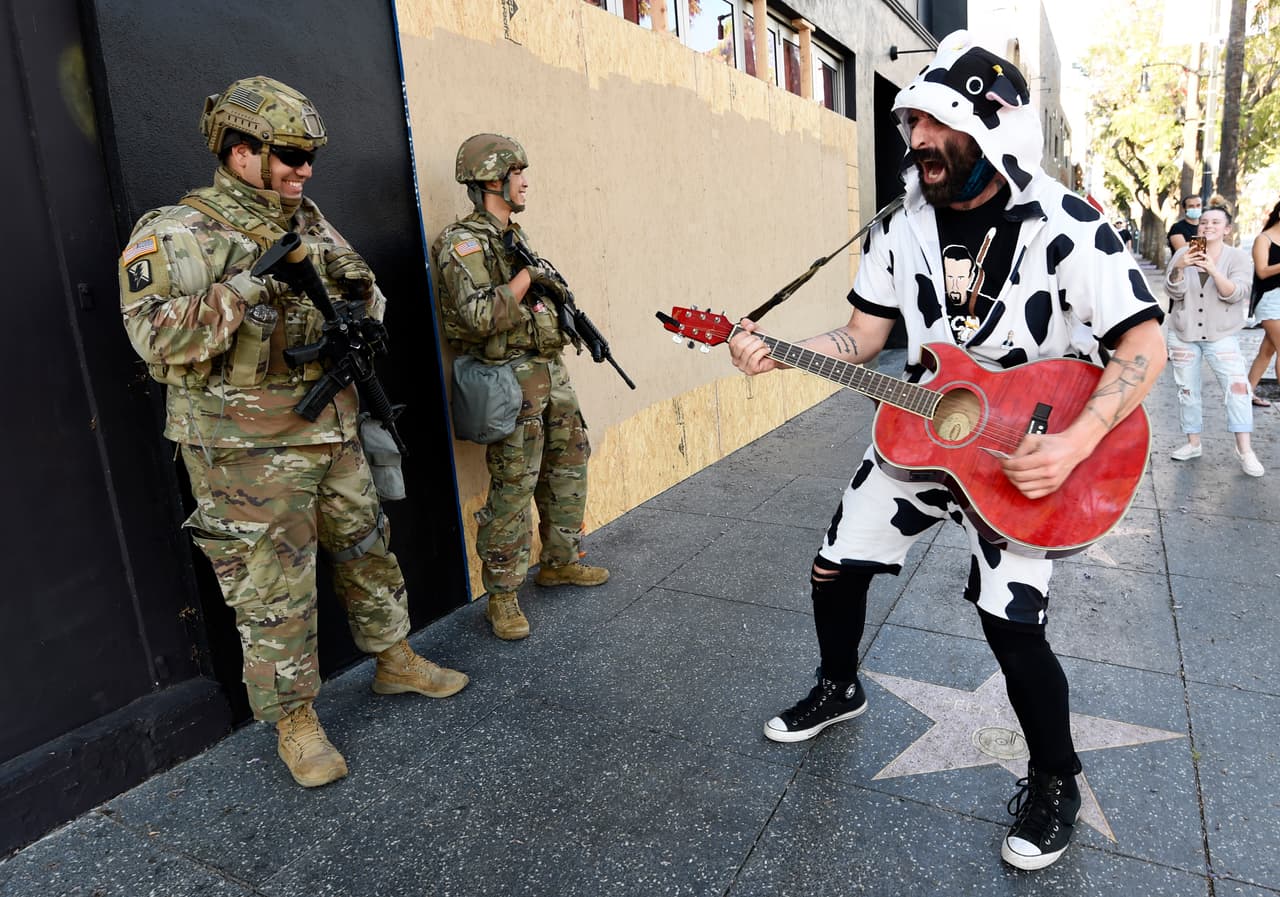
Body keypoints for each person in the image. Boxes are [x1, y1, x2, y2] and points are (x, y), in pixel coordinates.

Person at [728, 33, 1166, 871]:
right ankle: (839, 682)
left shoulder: (1065, 225)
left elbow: (1144, 343)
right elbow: (862, 336)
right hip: (921, 442)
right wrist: (779, 347)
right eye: (912, 124)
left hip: (1026, 457)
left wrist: (1075, 442)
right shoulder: (900, 228)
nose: (918, 140)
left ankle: (1055, 780)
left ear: (987, 133)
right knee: (833, 560)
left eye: (937, 125)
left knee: (1011, 623)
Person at [118, 76, 468, 789]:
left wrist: (360, 303)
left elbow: (361, 285)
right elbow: (152, 336)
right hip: (246, 451)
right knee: (272, 588)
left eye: (310, 155)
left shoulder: (305, 217)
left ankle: (394, 658)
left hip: (329, 424)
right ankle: (295, 721)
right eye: (290, 154)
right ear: (240, 150)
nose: (304, 169)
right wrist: (249, 285)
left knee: (367, 546)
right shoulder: (177, 231)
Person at [433, 134, 608, 641]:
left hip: (549, 372)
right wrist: (529, 278)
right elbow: (478, 314)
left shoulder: (515, 237)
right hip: (508, 378)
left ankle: (560, 559)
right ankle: (503, 596)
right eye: (518, 173)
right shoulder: (461, 242)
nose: (526, 182)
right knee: (514, 483)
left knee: (569, 464)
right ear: (492, 179)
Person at [1164, 196, 1264, 476]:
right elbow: (1173, 293)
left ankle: (1245, 450)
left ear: (1227, 229)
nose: (1208, 226)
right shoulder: (1182, 253)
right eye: (1204, 221)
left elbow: (1236, 294)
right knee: (1187, 392)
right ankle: (1193, 443)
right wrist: (1181, 267)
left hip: (1221, 335)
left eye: (1215, 222)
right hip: (1184, 333)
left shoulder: (1239, 257)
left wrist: (1212, 269)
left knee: (1238, 390)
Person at [1247, 199, 1280, 406]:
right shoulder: (1264, 238)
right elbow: (1262, 271)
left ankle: (1245, 393)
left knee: (1267, 351)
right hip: (1270, 300)